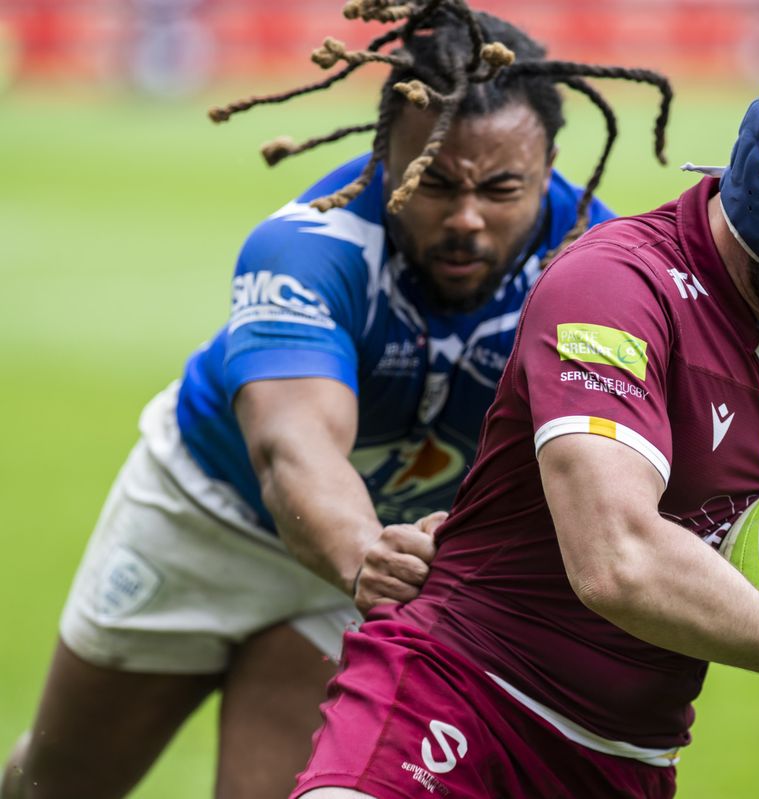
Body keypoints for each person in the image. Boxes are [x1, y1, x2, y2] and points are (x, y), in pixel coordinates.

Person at [0, 4, 676, 798]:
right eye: (433, 182)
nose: (466, 218)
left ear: (551, 162)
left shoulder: (598, 271)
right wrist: (364, 555)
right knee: (56, 782)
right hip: (206, 514)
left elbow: (691, 405)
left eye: (501, 189)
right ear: (384, 152)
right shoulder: (307, 247)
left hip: (384, 559)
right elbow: (294, 448)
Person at [292, 52, 759, 799]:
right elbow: (618, 558)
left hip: (625, 758)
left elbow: (737, 532)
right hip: (457, 698)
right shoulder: (614, 287)